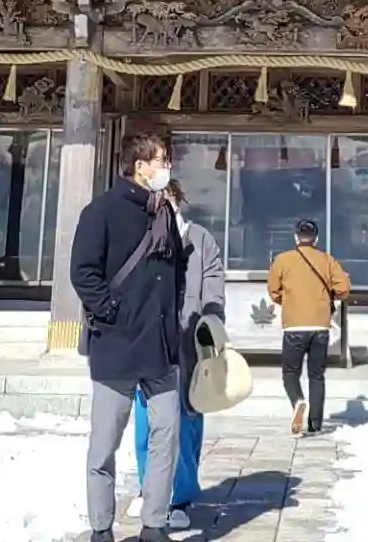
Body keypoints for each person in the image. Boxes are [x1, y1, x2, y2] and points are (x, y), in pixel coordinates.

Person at [71, 131, 184, 542]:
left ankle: (154, 522)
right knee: (105, 443)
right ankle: (102, 527)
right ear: (140, 166)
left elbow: (176, 269)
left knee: (167, 433)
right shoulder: (101, 211)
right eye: (161, 160)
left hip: (160, 344)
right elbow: (83, 272)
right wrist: (111, 311)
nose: (166, 167)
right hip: (117, 344)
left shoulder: (163, 212)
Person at [131, 181, 224, 531]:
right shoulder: (142, 235)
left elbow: (213, 282)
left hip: (188, 342)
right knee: (147, 420)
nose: (162, 204)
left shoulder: (199, 239)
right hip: (150, 340)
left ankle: (180, 497)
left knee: (185, 421)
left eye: (167, 197)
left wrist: (211, 318)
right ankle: (150, 489)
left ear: (177, 200)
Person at [266, 218, 351, 435]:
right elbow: (343, 289)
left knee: (290, 372)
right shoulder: (327, 260)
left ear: (296, 238)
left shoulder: (282, 260)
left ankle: (298, 400)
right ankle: (315, 424)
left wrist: (289, 301)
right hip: (320, 327)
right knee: (317, 375)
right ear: (316, 239)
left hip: (294, 326)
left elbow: (273, 291)